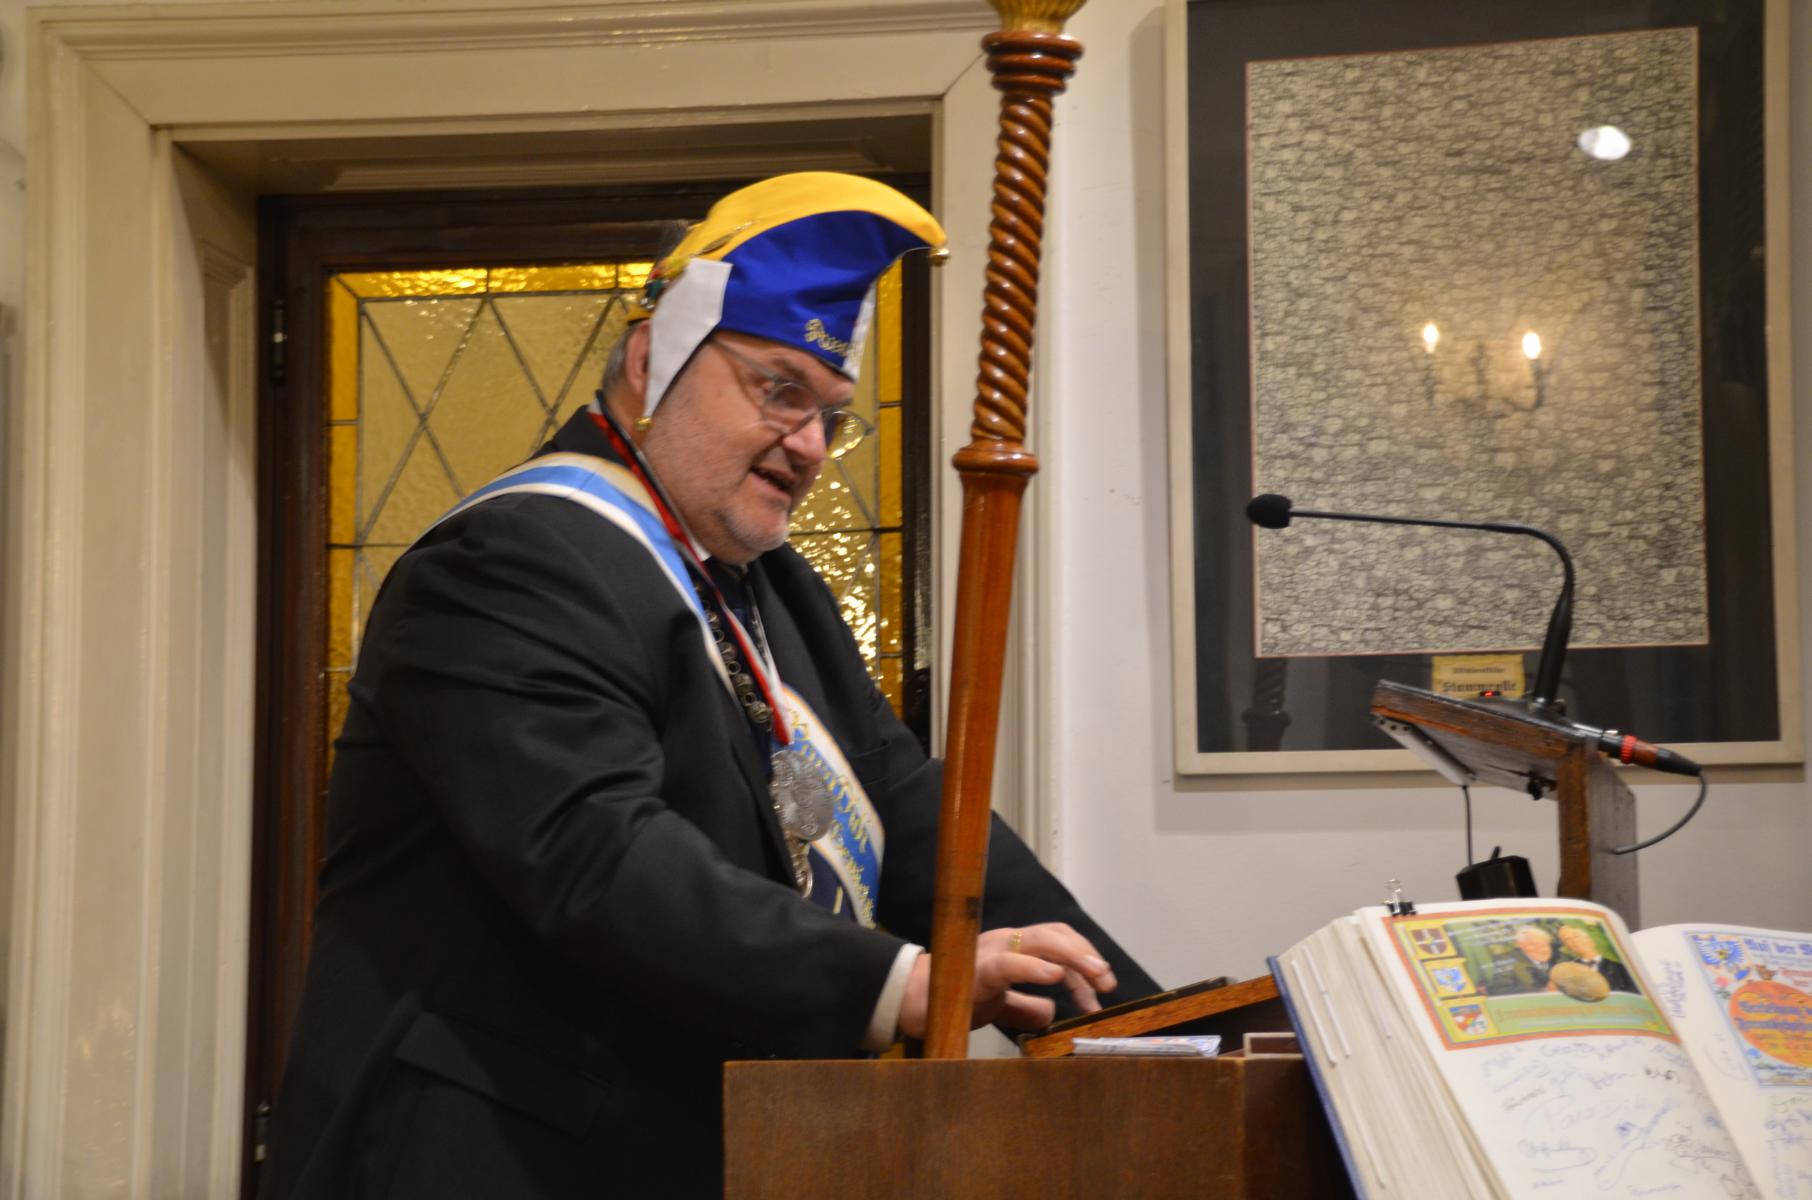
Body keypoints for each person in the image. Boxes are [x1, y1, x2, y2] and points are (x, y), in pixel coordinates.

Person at [258, 173, 1159, 1200]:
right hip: (487, 1159)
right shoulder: (507, 562)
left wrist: (1143, 1032)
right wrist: (905, 982)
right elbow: (596, 857)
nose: (810, 446)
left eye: (831, 416)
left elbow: (916, 818)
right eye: (779, 390)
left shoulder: (772, 589)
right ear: (652, 361)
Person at [1556, 923, 1638, 994]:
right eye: (1567, 940)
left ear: (1588, 938)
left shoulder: (1619, 968)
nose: (1574, 941)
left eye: (1576, 936)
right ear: (1568, 947)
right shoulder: (1570, 972)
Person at [1486, 924, 1558, 995]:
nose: (1543, 949)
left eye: (1545, 944)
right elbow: (1500, 991)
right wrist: (1543, 991)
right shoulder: (1506, 960)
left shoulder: (1552, 960)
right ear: (1520, 945)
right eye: (1533, 944)